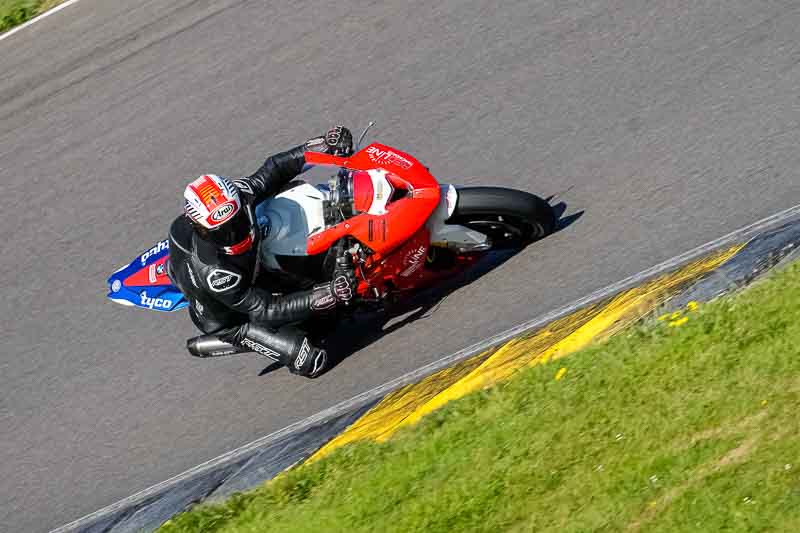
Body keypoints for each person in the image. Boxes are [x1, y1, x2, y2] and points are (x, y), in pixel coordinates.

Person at [167, 126, 356, 378]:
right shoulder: (215, 271)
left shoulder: (239, 196)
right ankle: (241, 339)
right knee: (310, 359)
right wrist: (324, 295)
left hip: (253, 268)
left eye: (236, 222)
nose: (234, 234)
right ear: (203, 231)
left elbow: (273, 170)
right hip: (236, 315)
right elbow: (265, 309)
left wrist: (318, 147)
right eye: (222, 232)